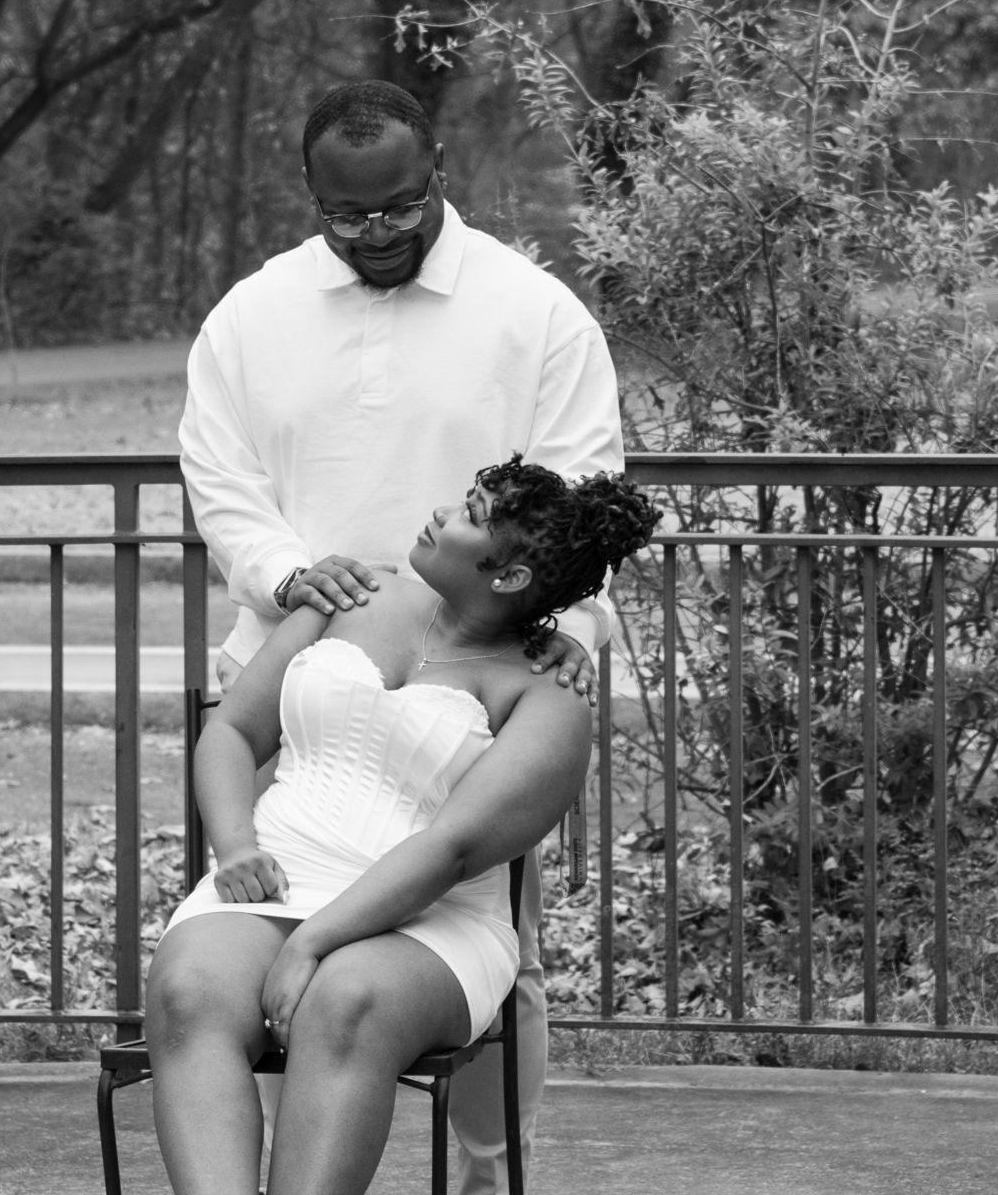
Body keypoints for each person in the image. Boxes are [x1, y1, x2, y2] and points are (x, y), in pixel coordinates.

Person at [177, 79, 625, 1194]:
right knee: (243, 968)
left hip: (479, 688)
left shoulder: (535, 314)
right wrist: (292, 577)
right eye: (346, 213)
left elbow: (578, 492)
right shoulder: (251, 315)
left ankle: (487, 1172)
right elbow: (220, 482)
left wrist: (558, 628)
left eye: (398, 205)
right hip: (303, 670)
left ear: (438, 172)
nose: (375, 231)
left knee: (490, 948)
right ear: (309, 192)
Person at [146, 458, 657, 1195]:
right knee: (187, 992)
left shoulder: (549, 694)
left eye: (471, 514)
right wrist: (235, 846)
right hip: (277, 876)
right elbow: (231, 731)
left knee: (346, 999)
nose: (443, 511)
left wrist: (313, 943)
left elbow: (451, 850)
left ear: (510, 576)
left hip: (432, 917)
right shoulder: (352, 593)